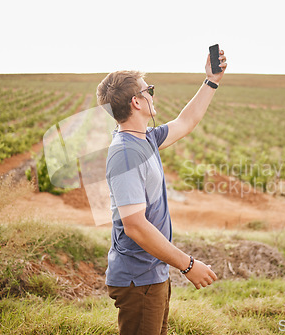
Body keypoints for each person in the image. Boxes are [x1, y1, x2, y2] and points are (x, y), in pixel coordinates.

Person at [96, 48, 227, 335]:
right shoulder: (126, 154)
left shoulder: (146, 139)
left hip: (151, 274)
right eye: (149, 90)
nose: (152, 95)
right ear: (136, 102)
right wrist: (188, 265)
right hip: (137, 279)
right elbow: (135, 226)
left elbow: (186, 122)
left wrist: (211, 80)